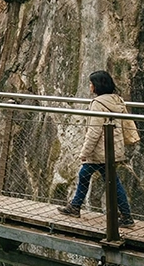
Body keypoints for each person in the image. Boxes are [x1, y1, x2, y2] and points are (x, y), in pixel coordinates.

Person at [58, 70, 137, 228]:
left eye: (91, 83)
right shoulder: (117, 100)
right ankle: (76, 206)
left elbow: (94, 131)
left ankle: (126, 217)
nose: (90, 86)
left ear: (97, 86)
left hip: (100, 151)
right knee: (96, 177)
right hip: (113, 148)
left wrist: (84, 153)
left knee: (104, 180)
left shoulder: (98, 104)